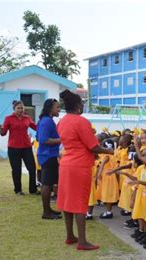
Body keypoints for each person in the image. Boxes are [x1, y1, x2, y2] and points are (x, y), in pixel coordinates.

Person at [56, 89, 113, 251]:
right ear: (77, 105)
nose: (83, 106)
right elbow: (93, 147)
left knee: (67, 202)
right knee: (80, 202)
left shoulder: (62, 121)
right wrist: (108, 151)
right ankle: (82, 241)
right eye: (81, 103)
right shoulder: (82, 122)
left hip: (66, 164)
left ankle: (70, 236)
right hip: (79, 166)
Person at [0, 100, 38, 195]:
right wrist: (1, 128)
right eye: (18, 108)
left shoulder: (27, 118)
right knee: (16, 169)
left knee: (32, 168)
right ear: (14, 109)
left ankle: (33, 189)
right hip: (13, 148)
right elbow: (3, 133)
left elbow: (36, 127)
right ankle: (18, 190)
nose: (20, 110)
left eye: (22, 108)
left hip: (26, 147)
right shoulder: (8, 118)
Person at [36, 98, 62, 219]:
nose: (59, 109)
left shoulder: (46, 120)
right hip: (48, 155)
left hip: (48, 155)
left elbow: (38, 137)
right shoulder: (47, 121)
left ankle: (49, 209)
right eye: (57, 107)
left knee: (49, 183)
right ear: (50, 108)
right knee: (46, 184)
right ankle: (46, 212)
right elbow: (43, 140)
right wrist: (63, 139)